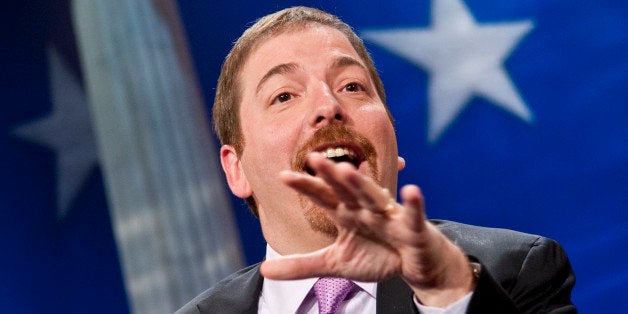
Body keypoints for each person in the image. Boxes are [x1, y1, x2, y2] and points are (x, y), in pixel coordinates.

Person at [177, 6, 575, 314]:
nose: (329, 106)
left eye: (351, 86)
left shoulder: (515, 272)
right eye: (284, 96)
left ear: (392, 146)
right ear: (236, 169)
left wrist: (448, 292)